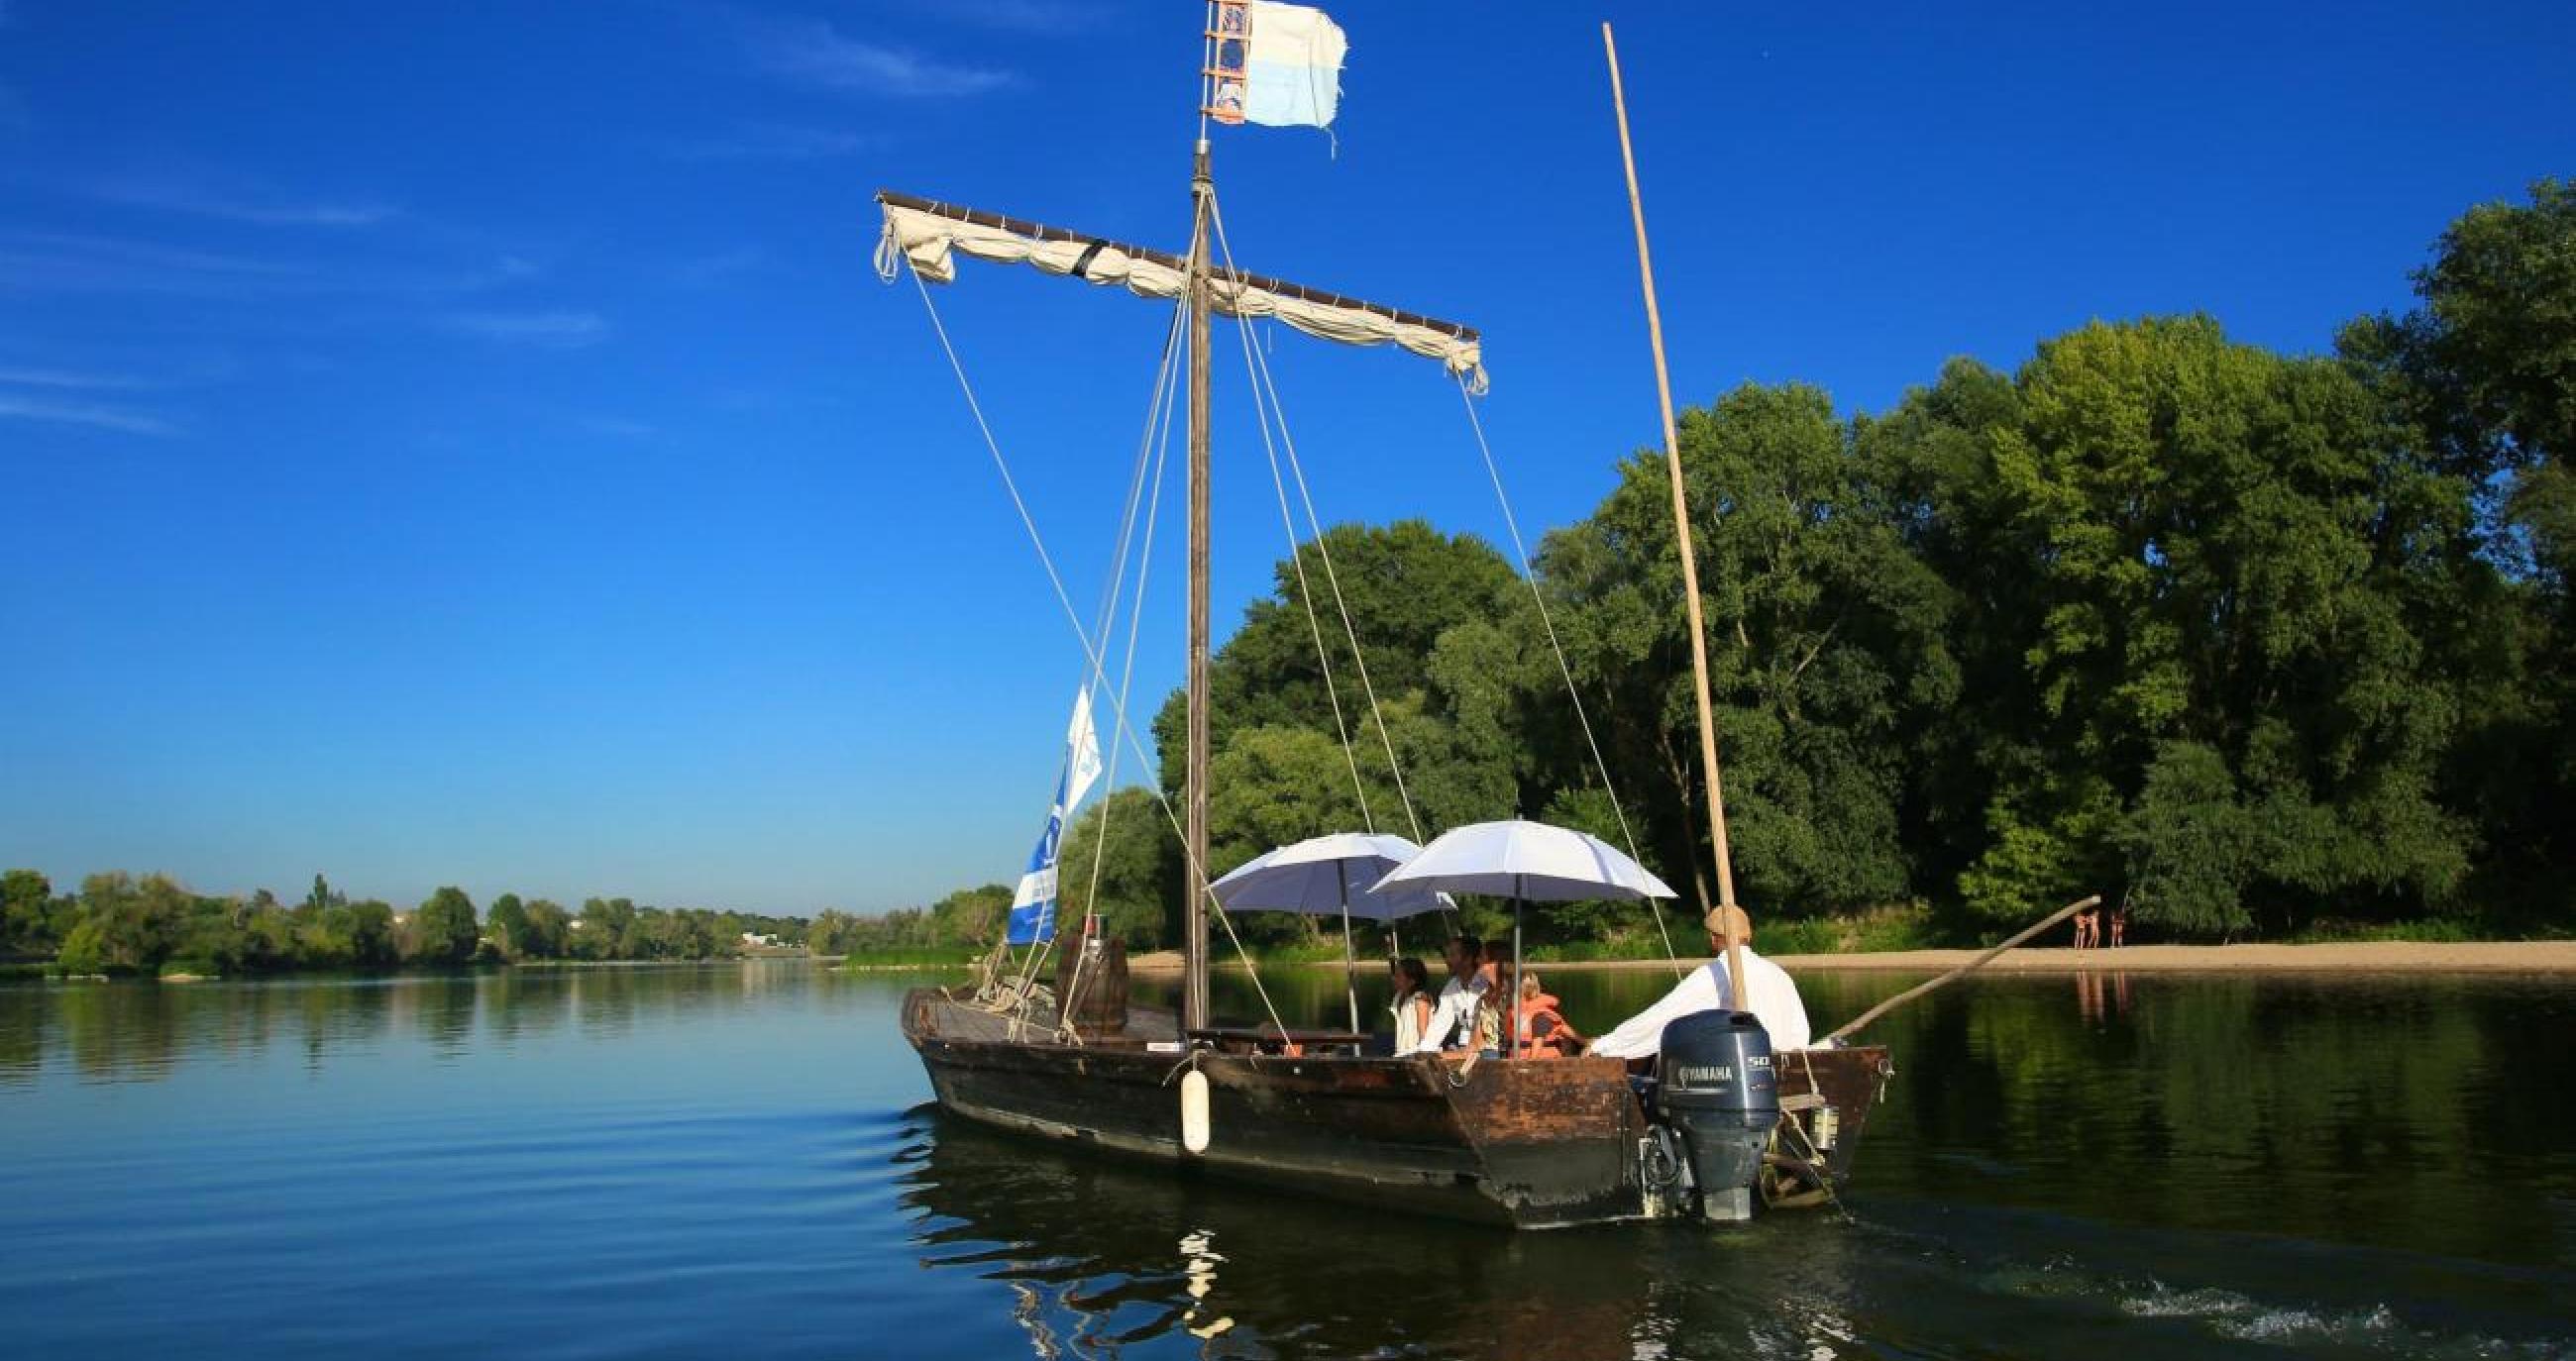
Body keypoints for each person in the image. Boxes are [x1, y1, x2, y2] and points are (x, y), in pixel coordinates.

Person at [1584, 905, 1811, 1058]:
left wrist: (1605, 1045)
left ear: (1713, 939)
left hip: (1744, 1068)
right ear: (1748, 936)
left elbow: (1662, 1018)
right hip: (1783, 1073)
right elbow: (1801, 1034)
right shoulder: (1779, 973)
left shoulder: (1718, 972)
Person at [1405, 935, 1491, 1055]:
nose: (1447, 960)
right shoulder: (1452, 986)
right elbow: (1441, 1022)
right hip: (1464, 1047)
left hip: (1488, 1048)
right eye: (1447, 955)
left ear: (1468, 959)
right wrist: (1423, 1052)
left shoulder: (1486, 984)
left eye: (1452, 955)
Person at [1512, 970, 1584, 1059]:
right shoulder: (1539, 1015)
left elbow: (1534, 1054)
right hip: (1529, 1060)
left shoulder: (1534, 1015)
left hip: (1525, 1060)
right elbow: (1566, 1030)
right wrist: (1585, 1042)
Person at [1387, 957, 1435, 1053]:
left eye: (1398, 976)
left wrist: (1422, 1057)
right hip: (1401, 1053)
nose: (1393, 978)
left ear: (1412, 981)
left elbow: (1424, 1035)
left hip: (1416, 1053)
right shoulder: (1398, 997)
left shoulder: (1420, 999)